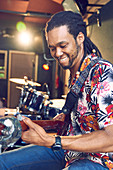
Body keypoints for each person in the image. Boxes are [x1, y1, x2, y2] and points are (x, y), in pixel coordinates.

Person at [0, 11, 113, 170]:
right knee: (2, 162)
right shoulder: (77, 72)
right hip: (70, 151)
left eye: (63, 45)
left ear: (80, 38)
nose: (57, 53)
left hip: (100, 160)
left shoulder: (102, 73)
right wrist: (22, 126)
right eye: (52, 48)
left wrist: (53, 141)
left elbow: (111, 138)